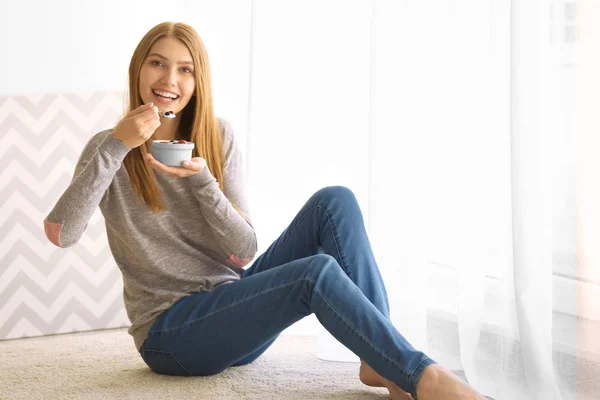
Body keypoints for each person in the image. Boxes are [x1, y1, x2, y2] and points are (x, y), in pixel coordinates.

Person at [44, 21, 487, 400]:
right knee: (315, 272)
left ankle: (380, 361)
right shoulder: (108, 148)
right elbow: (61, 233)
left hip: (232, 309)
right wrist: (119, 144)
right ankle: (420, 374)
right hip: (171, 336)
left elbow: (244, 253)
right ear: (139, 68)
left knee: (335, 201)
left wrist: (202, 181)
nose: (170, 79)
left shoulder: (218, 137)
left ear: (199, 82)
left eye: (185, 69)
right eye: (158, 62)